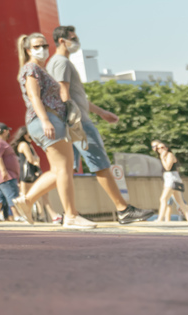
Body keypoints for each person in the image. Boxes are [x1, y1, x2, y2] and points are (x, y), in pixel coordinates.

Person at [48, 26, 155, 225]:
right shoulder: (61, 62)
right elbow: (63, 94)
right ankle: (123, 210)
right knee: (100, 163)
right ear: (62, 40)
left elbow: (75, 97)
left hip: (72, 121)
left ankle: (30, 200)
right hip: (78, 123)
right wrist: (73, 122)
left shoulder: (58, 63)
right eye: (73, 38)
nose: (77, 41)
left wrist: (101, 113)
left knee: (64, 170)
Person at [10, 33, 95, 229]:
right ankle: (71, 216)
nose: (43, 49)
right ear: (28, 50)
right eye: (37, 46)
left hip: (50, 121)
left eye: (45, 45)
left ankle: (28, 200)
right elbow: (33, 96)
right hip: (46, 120)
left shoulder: (40, 69)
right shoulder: (30, 68)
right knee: (64, 169)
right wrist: (46, 120)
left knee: (60, 170)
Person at [12, 130, 58, 223]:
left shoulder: (27, 144)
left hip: (25, 174)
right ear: (24, 135)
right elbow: (31, 158)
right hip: (29, 173)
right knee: (39, 194)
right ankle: (47, 216)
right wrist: (37, 167)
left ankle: (37, 216)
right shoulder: (24, 145)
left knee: (32, 195)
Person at [152, 140, 188, 222]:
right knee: (180, 202)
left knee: (163, 199)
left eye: (162, 147)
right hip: (169, 179)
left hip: (172, 179)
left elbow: (168, 168)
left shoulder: (169, 155)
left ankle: (160, 219)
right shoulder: (164, 156)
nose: (160, 149)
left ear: (167, 148)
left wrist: (162, 158)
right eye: (158, 148)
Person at [0, 123, 21, 223]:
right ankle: (17, 216)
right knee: (12, 194)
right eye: (8, 130)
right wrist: (3, 171)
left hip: (5, 174)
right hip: (5, 175)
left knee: (0, 196)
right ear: (4, 131)